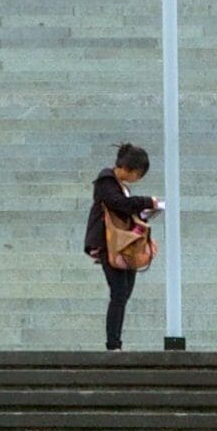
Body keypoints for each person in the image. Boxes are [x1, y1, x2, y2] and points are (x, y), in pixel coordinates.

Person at [84, 143, 161, 351]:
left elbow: (123, 210)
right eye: (138, 174)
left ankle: (115, 342)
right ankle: (113, 344)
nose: (137, 179)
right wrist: (148, 201)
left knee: (123, 293)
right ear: (131, 170)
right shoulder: (106, 180)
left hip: (123, 245)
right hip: (110, 245)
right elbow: (118, 203)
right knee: (119, 293)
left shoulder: (119, 185)